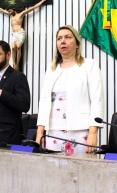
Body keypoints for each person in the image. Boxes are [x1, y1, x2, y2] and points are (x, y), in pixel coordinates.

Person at [35, 25, 105, 154]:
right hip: (53, 131)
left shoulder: (89, 65)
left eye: (67, 37)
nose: (62, 41)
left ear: (77, 44)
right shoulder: (52, 69)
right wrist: (40, 133)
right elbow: (44, 102)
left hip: (80, 130)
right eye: (59, 38)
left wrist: (93, 133)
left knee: (80, 170)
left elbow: (97, 100)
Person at [0, 0, 49, 70]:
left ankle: (17, 64)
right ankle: (14, 63)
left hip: (20, 33)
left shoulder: (21, 14)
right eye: (8, 11)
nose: (9, 12)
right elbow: (1, 10)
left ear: (14, 9)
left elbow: (33, 8)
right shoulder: (11, 16)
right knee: (13, 47)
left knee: (18, 47)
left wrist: (43, 0)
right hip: (14, 34)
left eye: (10, 10)